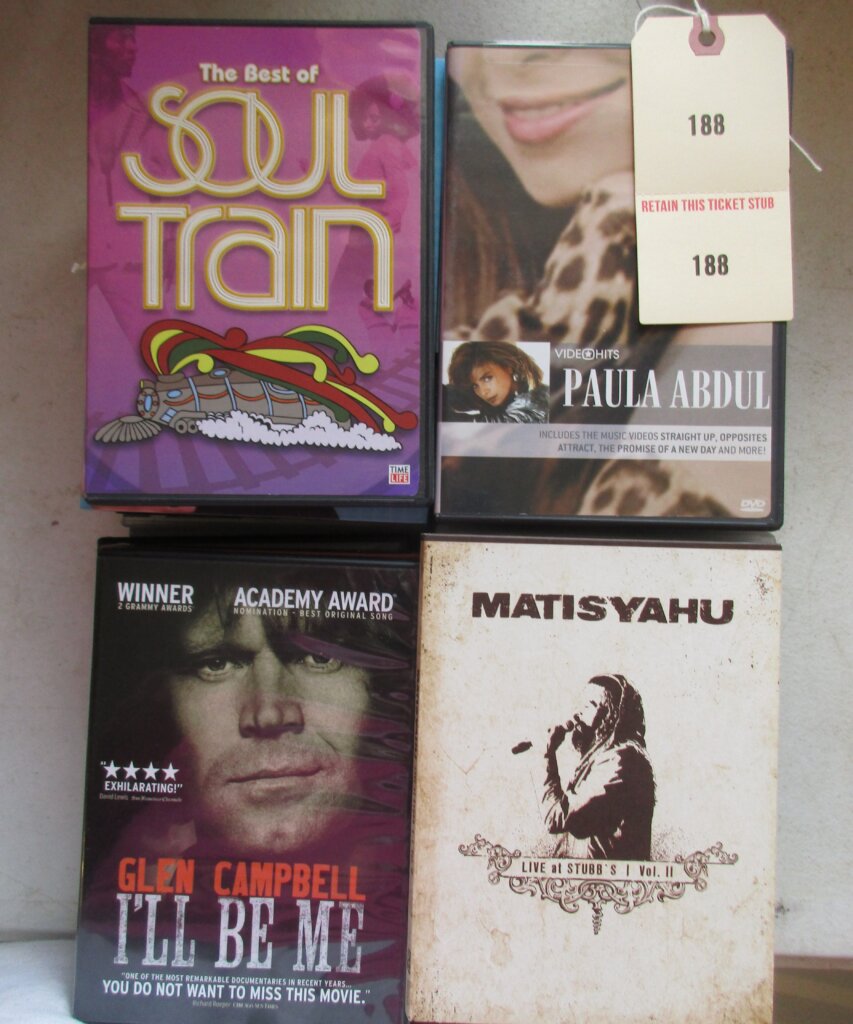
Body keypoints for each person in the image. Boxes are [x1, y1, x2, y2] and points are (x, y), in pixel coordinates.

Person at [543, 674, 655, 860]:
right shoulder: (604, 757)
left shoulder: (621, 761)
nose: (577, 714)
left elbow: (558, 819)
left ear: (611, 717)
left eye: (590, 705)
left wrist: (547, 754)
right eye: (581, 704)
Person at [445, 340, 548, 423]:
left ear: (508, 366)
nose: (483, 392)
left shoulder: (535, 404)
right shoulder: (506, 396)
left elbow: (489, 426)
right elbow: (459, 395)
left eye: (487, 378)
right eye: (475, 386)